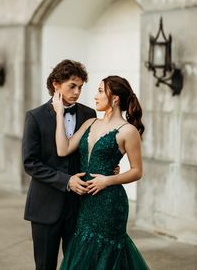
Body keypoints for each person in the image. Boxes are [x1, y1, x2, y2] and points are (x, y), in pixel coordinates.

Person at [53, 75, 150, 270]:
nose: (95, 96)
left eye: (100, 91)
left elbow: (137, 171)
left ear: (114, 98)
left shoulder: (127, 131)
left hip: (109, 203)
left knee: (106, 256)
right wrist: (59, 114)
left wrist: (108, 180)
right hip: (85, 202)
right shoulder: (90, 123)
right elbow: (63, 150)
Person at [22, 59, 96, 270]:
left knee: (77, 266)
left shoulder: (88, 114)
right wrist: (66, 181)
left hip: (80, 206)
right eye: (72, 85)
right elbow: (30, 163)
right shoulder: (35, 117)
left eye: (80, 87)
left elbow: (90, 151)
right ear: (56, 84)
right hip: (45, 207)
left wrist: (107, 167)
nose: (77, 92)